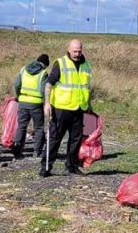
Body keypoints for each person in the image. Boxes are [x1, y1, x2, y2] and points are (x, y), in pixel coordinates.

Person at [40, 40, 92, 177]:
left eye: (79, 51)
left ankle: (71, 166)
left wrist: (89, 107)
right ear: (69, 49)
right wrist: (47, 103)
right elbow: (48, 84)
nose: (77, 53)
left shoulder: (86, 65)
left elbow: (86, 87)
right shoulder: (60, 63)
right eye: (75, 51)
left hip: (79, 108)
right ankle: (46, 166)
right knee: (55, 138)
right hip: (61, 108)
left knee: (76, 139)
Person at [13, 54, 50, 159]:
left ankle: (17, 150)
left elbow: (17, 84)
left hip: (23, 101)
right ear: (45, 64)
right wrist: (47, 102)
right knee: (38, 127)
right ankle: (37, 151)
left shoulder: (24, 69)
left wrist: (18, 95)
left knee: (21, 126)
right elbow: (44, 91)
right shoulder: (43, 73)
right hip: (36, 104)